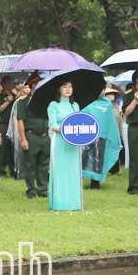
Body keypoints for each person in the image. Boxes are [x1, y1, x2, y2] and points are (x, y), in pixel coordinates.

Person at [47, 80, 82, 210]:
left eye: (70, 86)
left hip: (73, 142)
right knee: (60, 171)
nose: (68, 89)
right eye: (64, 86)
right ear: (58, 89)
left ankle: (74, 202)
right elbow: (54, 124)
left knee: (73, 170)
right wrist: (67, 129)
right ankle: (60, 203)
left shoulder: (76, 105)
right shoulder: (53, 105)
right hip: (60, 141)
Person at [17, 73, 49, 199]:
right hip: (31, 135)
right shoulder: (24, 101)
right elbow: (20, 120)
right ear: (32, 86)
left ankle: (42, 189)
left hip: (44, 135)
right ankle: (31, 189)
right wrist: (23, 139)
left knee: (43, 163)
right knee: (30, 164)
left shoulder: (46, 99)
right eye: (37, 84)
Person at [0, 76, 17, 179]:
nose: (11, 85)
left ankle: (13, 170)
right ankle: (1, 170)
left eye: (12, 83)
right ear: (3, 85)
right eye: (9, 83)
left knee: (11, 148)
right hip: (3, 124)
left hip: (12, 124)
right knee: (2, 149)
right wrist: (7, 101)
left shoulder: (15, 95)